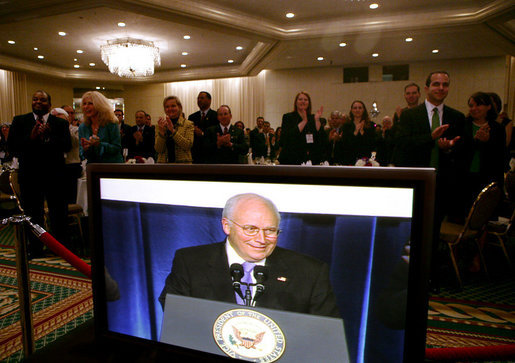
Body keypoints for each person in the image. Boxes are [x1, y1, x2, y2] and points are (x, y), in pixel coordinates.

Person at [159, 193, 340, 318]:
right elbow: (176, 317)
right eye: (251, 229)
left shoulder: (310, 273)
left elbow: (323, 334)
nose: (261, 239)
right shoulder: (190, 262)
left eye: (270, 231)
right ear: (226, 226)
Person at [8, 90, 71, 256]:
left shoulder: (60, 124)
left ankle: (59, 248)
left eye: (42, 100)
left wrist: (50, 137)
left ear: (49, 105)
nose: (38, 102)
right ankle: (35, 248)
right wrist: (32, 137)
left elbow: (66, 147)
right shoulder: (20, 121)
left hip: (54, 175)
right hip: (30, 175)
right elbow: (12, 148)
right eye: (35, 99)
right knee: (33, 213)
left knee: (58, 213)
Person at [459, 92, 505, 212]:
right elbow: (459, 151)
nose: (474, 109)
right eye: (471, 106)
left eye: (478, 105)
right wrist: (475, 141)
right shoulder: (463, 125)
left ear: (488, 107)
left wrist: (487, 141)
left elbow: (501, 155)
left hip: (487, 177)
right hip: (465, 177)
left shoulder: (497, 128)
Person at [278, 91, 327, 165]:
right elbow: (286, 138)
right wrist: (304, 121)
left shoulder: (313, 118)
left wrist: (317, 120)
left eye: (305, 100)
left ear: (309, 103)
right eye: (300, 99)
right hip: (291, 159)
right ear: (296, 102)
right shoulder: (288, 117)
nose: (303, 101)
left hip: (309, 160)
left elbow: (321, 140)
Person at [78, 91, 124, 163]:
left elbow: (117, 148)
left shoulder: (111, 123)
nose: (86, 107)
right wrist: (86, 149)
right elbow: (81, 153)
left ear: (99, 105)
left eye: (90, 103)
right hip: (93, 167)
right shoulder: (83, 127)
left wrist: (99, 145)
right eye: (84, 104)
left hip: (112, 167)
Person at [155, 96, 194, 163]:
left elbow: (187, 145)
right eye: (167, 107)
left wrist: (173, 131)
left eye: (173, 106)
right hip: (163, 166)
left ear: (179, 107)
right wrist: (161, 133)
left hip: (182, 166)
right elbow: (159, 150)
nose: (170, 109)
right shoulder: (160, 125)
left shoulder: (188, 124)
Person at [340, 100, 379, 165]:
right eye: (355, 108)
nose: (357, 110)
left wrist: (362, 132)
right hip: (349, 161)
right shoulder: (346, 126)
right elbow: (345, 145)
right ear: (351, 110)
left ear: (363, 110)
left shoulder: (371, 125)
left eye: (360, 108)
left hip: (366, 161)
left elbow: (373, 145)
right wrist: (355, 132)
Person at [188, 91, 218, 163]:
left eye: (202, 98)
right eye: (198, 98)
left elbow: (216, 135)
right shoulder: (192, 117)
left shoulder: (216, 116)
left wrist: (202, 134)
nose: (199, 100)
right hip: (195, 155)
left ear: (209, 100)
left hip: (211, 155)